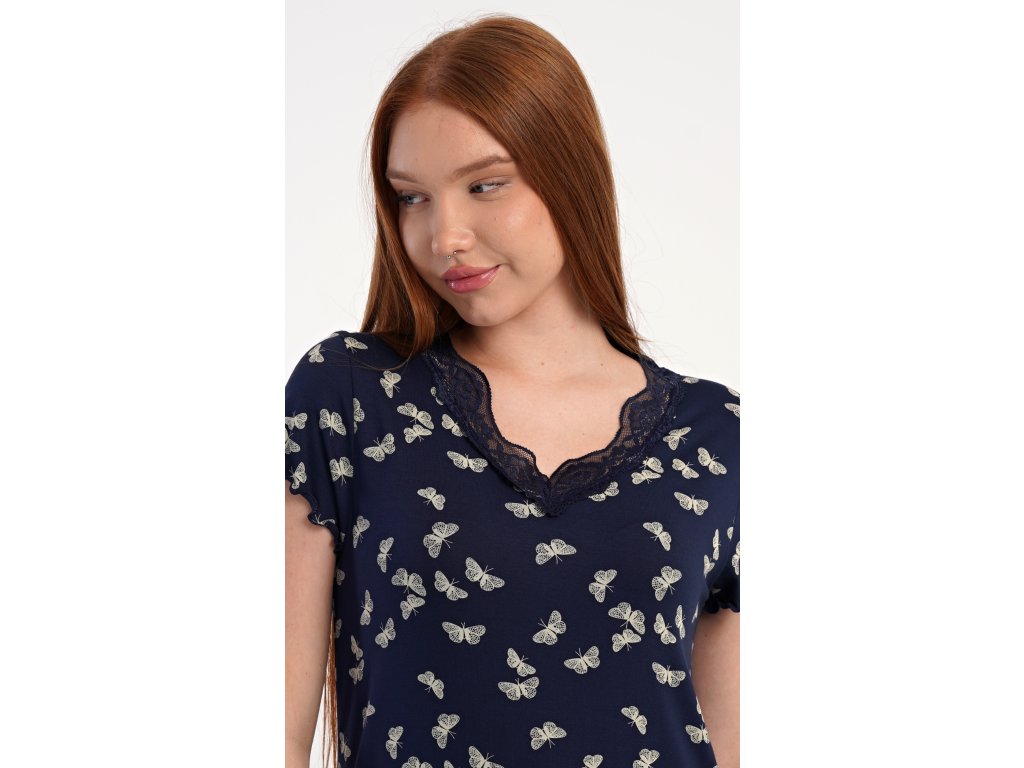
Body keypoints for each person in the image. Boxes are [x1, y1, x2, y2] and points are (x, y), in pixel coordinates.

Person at [285, 14, 739, 768]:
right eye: (411, 197)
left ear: (570, 172)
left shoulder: (721, 437)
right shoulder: (350, 397)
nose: (445, 237)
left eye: (484, 185)